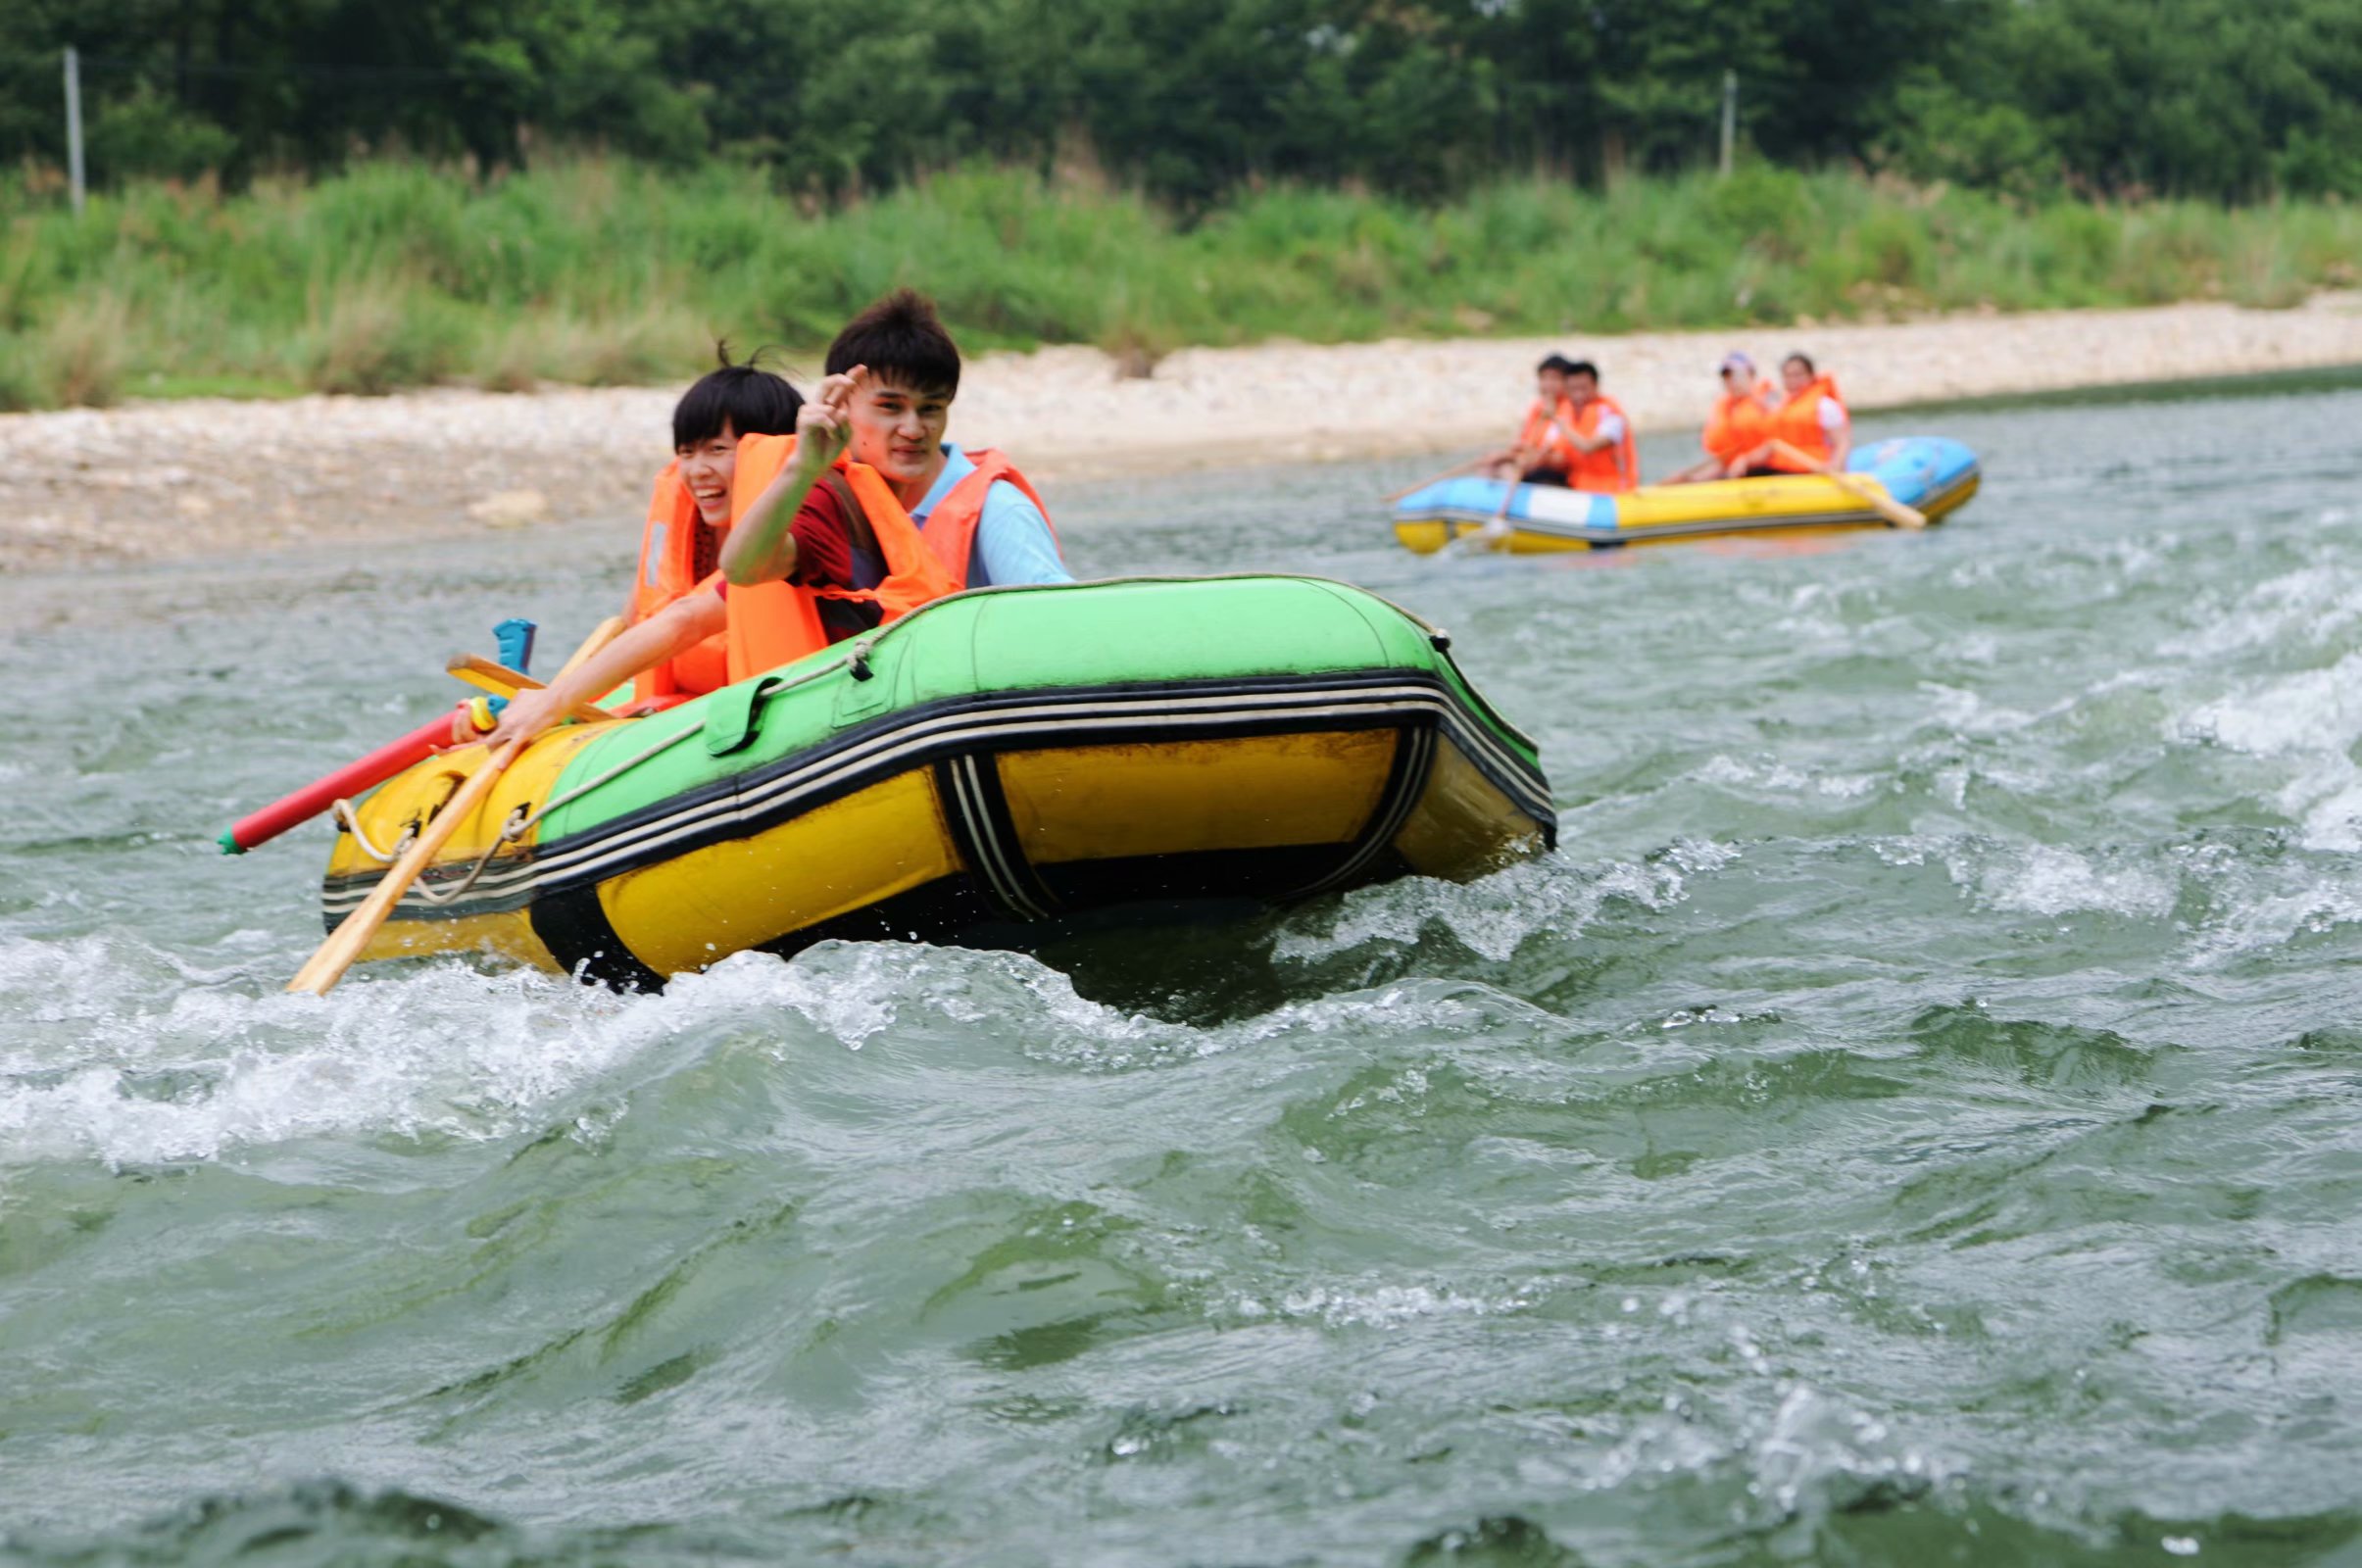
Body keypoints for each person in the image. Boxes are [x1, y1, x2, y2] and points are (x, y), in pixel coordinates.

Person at [484, 291, 1056, 746]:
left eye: (930, 410)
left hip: (939, 718)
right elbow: (699, 604)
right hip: (863, 727)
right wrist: (554, 701)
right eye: (890, 408)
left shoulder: (978, 506)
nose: (913, 428)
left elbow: (1059, 625)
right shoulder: (834, 493)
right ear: (841, 405)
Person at [621, 348, 804, 709]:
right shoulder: (684, 527)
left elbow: (685, 623)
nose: (697, 470)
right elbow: (632, 624)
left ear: (770, 454)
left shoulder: (797, 536)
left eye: (717, 449)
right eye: (687, 453)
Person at [1723, 353, 1850, 478]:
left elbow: (1841, 443)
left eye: (1797, 375)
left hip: (1812, 470)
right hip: (1783, 468)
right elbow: (1772, 444)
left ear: (1811, 376)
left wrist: (1835, 466)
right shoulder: (1781, 406)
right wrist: (1746, 460)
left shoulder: (1824, 406)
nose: (1792, 380)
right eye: (1787, 376)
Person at [1666, 353, 1773, 483]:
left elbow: (1775, 443)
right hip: (1736, 475)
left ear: (1751, 375)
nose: (1731, 382)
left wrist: (1747, 460)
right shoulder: (1725, 407)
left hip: (1768, 471)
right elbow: (1722, 461)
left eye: (1736, 376)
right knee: (1685, 480)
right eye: (1727, 377)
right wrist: (1691, 479)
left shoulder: (1768, 399)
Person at [1483, 355, 1577, 487]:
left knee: (1507, 469)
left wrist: (1526, 456)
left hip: (1557, 472)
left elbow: (1560, 457)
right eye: (1544, 378)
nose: (1548, 384)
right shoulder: (1538, 407)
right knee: (1492, 463)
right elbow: (1524, 442)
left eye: (1554, 379)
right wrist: (1507, 454)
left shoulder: (1571, 409)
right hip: (1534, 464)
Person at [1554, 360, 1638, 493]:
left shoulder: (1611, 414)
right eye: (1573, 390)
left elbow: (1588, 447)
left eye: (1583, 388)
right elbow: (1557, 456)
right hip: (1579, 485)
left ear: (1596, 386)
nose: (1578, 395)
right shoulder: (1566, 413)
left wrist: (1563, 428)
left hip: (1613, 490)